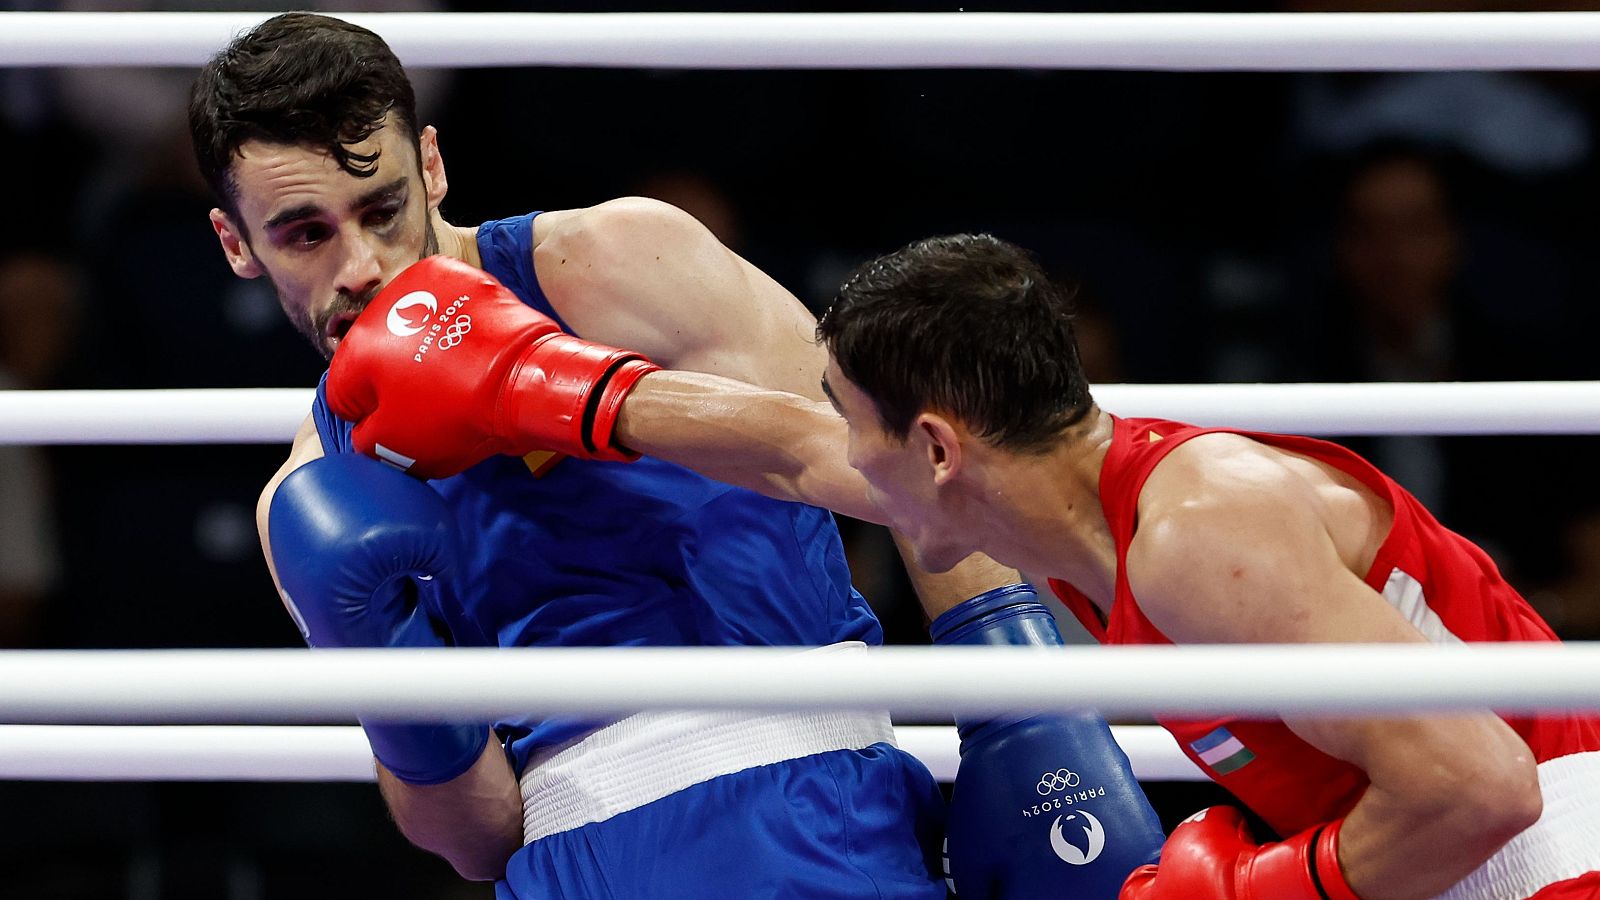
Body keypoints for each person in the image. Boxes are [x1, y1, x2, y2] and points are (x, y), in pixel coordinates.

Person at [189, 13, 1163, 898]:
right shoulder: (313, 493)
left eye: (383, 208)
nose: (359, 265)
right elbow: (478, 838)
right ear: (237, 246)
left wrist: (1025, 709)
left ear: (432, 167)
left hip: (813, 818)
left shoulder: (610, 265)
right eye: (306, 234)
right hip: (573, 864)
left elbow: (896, 458)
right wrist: (383, 661)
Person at [339, 231, 1600, 898]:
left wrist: (1272, 892)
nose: (834, 458)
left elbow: (1483, 788)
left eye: (849, 420)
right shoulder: (1075, 533)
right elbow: (789, 451)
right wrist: (556, 394)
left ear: (935, 447)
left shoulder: (1197, 532)